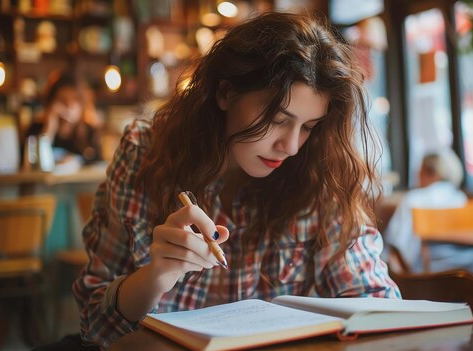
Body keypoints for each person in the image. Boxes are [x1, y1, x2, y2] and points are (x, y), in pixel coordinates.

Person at [72, 12, 400, 348]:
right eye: (276, 119)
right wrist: (156, 276)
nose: (290, 146)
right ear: (225, 93)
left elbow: (373, 301)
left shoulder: (320, 170)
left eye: (308, 126)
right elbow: (95, 325)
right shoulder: (146, 152)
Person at [384, 149, 473, 273]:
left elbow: (397, 244)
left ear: (433, 173)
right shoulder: (460, 198)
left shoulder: (413, 199)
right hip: (470, 269)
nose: (417, 176)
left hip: (429, 272)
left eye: (420, 171)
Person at [28, 71, 103, 165]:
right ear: (51, 102)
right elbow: (32, 164)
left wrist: (77, 161)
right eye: (62, 100)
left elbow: (98, 166)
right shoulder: (36, 128)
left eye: (74, 100)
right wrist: (49, 129)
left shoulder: (89, 132)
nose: (69, 105)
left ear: (81, 104)